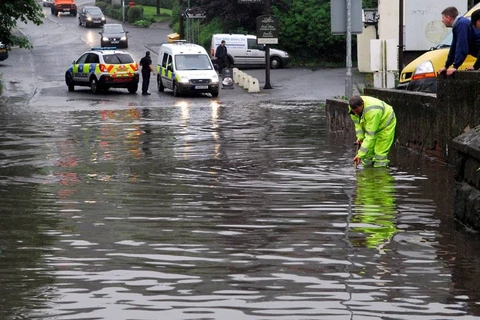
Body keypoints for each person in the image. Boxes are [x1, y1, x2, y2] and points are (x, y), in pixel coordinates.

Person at [348, 95, 396, 168]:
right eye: (354, 112)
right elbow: (357, 124)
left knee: (380, 154)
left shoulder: (373, 111)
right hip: (371, 126)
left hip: (385, 125)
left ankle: (380, 174)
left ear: (363, 104)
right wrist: (360, 138)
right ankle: (368, 173)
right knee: (367, 154)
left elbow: (370, 136)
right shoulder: (352, 109)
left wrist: (359, 155)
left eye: (358, 111)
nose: (356, 113)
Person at [437, 6, 480, 76]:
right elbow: (454, 47)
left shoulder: (462, 24)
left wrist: (455, 67)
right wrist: (446, 66)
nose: (442, 20)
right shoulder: (458, 25)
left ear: (448, 18)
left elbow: (462, 46)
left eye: (443, 18)